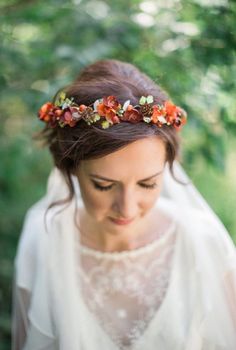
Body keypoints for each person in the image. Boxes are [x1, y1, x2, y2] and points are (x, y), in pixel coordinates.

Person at [12, 59, 236, 350]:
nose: (128, 208)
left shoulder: (203, 241)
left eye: (148, 183)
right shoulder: (41, 238)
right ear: (70, 168)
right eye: (104, 185)